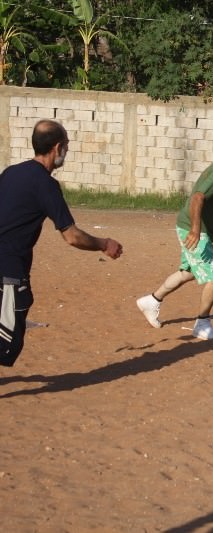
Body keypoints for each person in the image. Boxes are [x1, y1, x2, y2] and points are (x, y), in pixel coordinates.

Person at [0, 119, 124, 367]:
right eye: (66, 145)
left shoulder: (10, 172)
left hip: (10, 266)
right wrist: (104, 244)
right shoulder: (46, 185)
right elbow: (72, 236)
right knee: (6, 342)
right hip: (8, 270)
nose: (67, 150)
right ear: (58, 148)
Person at [136, 138, 213, 340]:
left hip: (194, 228)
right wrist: (195, 230)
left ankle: (152, 301)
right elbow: (197, 197)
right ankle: (202, 324)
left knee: (187, 273)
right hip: (193, 229)